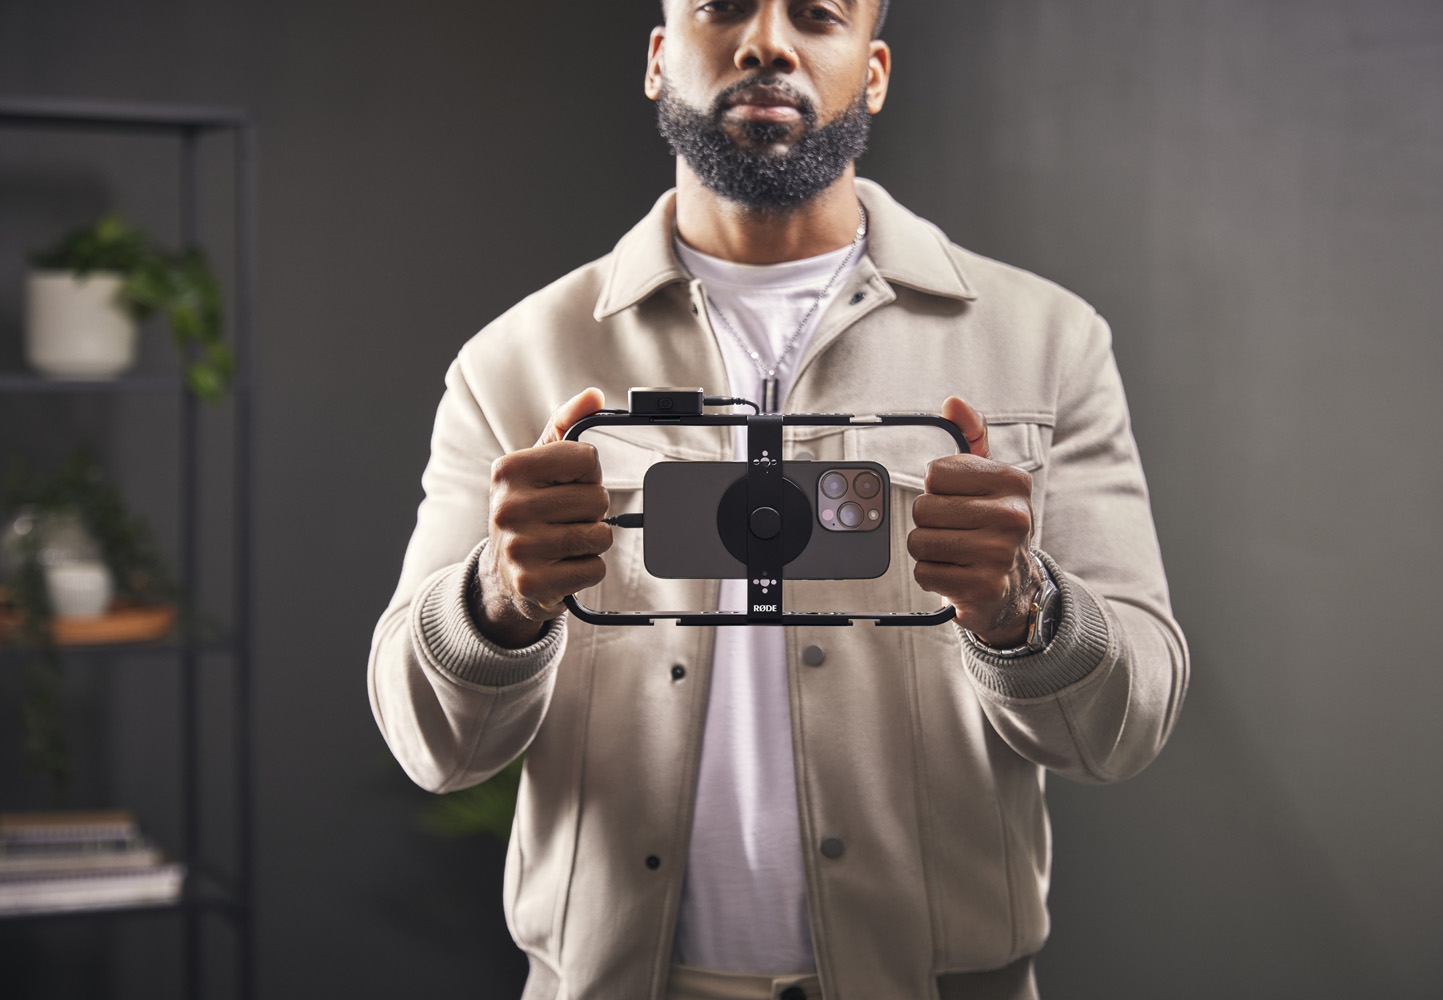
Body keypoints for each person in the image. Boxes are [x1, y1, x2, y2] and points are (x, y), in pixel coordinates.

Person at [368, 1, 1188, 998]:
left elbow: (1124, 725)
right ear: (661, 57)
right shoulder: (516, 363)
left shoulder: (1048, 344)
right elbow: (430, 745)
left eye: (817, 14)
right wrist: (496, 600)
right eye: (722, 8)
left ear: (873, 71)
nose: (766, 42)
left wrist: (1025, 613)